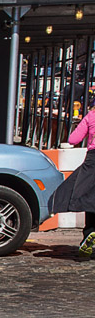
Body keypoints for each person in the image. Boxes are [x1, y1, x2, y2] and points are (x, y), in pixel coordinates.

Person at [48, 105, 95, 256]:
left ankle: (90, 233)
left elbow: (73, 139)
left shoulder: (91, 116)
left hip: (92, 161)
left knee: (89, 198)